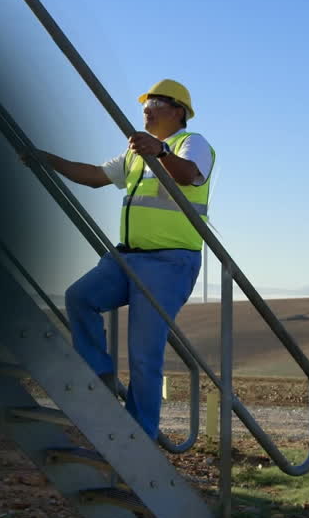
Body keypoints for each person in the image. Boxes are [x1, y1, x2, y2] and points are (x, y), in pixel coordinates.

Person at [21, 79, 214, 441]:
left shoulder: (192, 143)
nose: (146, 108)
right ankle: (99, 380)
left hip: (170, 263)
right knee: (80, 297)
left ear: (177, 110)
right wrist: (48, 160)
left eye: (154, 102)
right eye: (145, 103)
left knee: (143, 351)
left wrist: (158, 152)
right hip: (127, 258)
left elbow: (189, 175)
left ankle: (139, 434)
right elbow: (95, 176)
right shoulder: (135, 153)